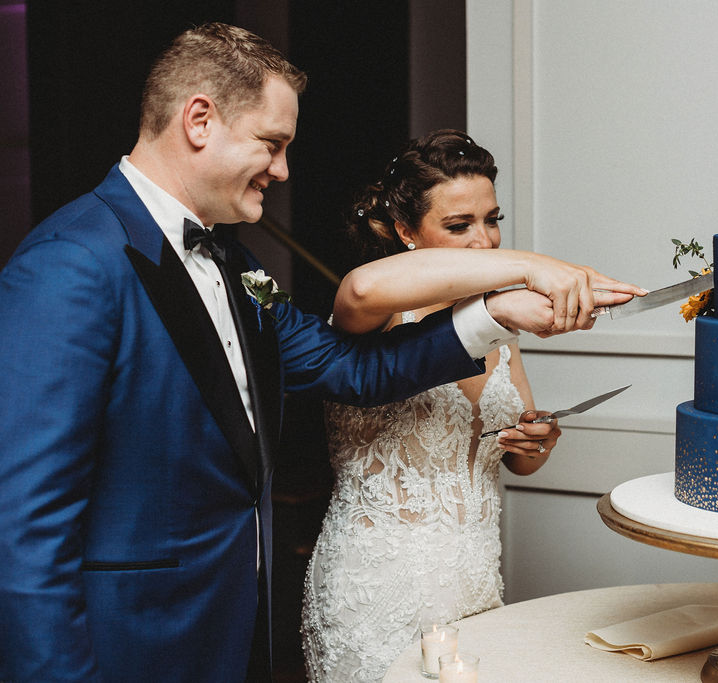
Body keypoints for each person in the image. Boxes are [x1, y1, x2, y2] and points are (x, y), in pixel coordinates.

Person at [0, 25, 642, 683]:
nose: (282, 169)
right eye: (271, 144)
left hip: (235, 634)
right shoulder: (70, 265)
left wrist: (496, 312)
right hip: (131, 647)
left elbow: (357, 368)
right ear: (199, 120)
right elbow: (24, 531)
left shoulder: (231, 262)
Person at [301, 130, 572, 682]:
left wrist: (537, 443)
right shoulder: (374, 317)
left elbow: (517, 457)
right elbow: (358, 290)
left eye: (492, 220)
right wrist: (532, 267)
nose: (484, 242)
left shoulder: (496, 326)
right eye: (458, 225)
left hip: (474, 580)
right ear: (405, 231)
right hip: (379, 584)